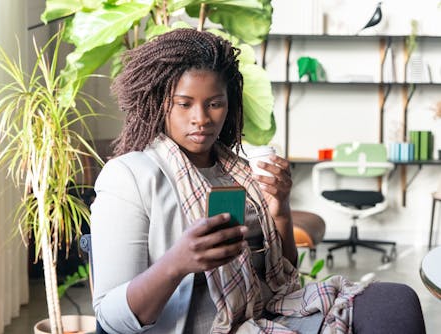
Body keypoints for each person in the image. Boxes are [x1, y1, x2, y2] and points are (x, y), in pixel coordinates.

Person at [90, 28, 425, 334]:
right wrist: (175, 264)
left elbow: (282, 277)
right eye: (184, 104)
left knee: (397, 302)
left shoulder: (236, 169)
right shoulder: (129, 177)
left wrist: (280, 208)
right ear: (159, 102)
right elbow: (110, 317)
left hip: (265, 313)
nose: (202, 119)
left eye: (215, 104)